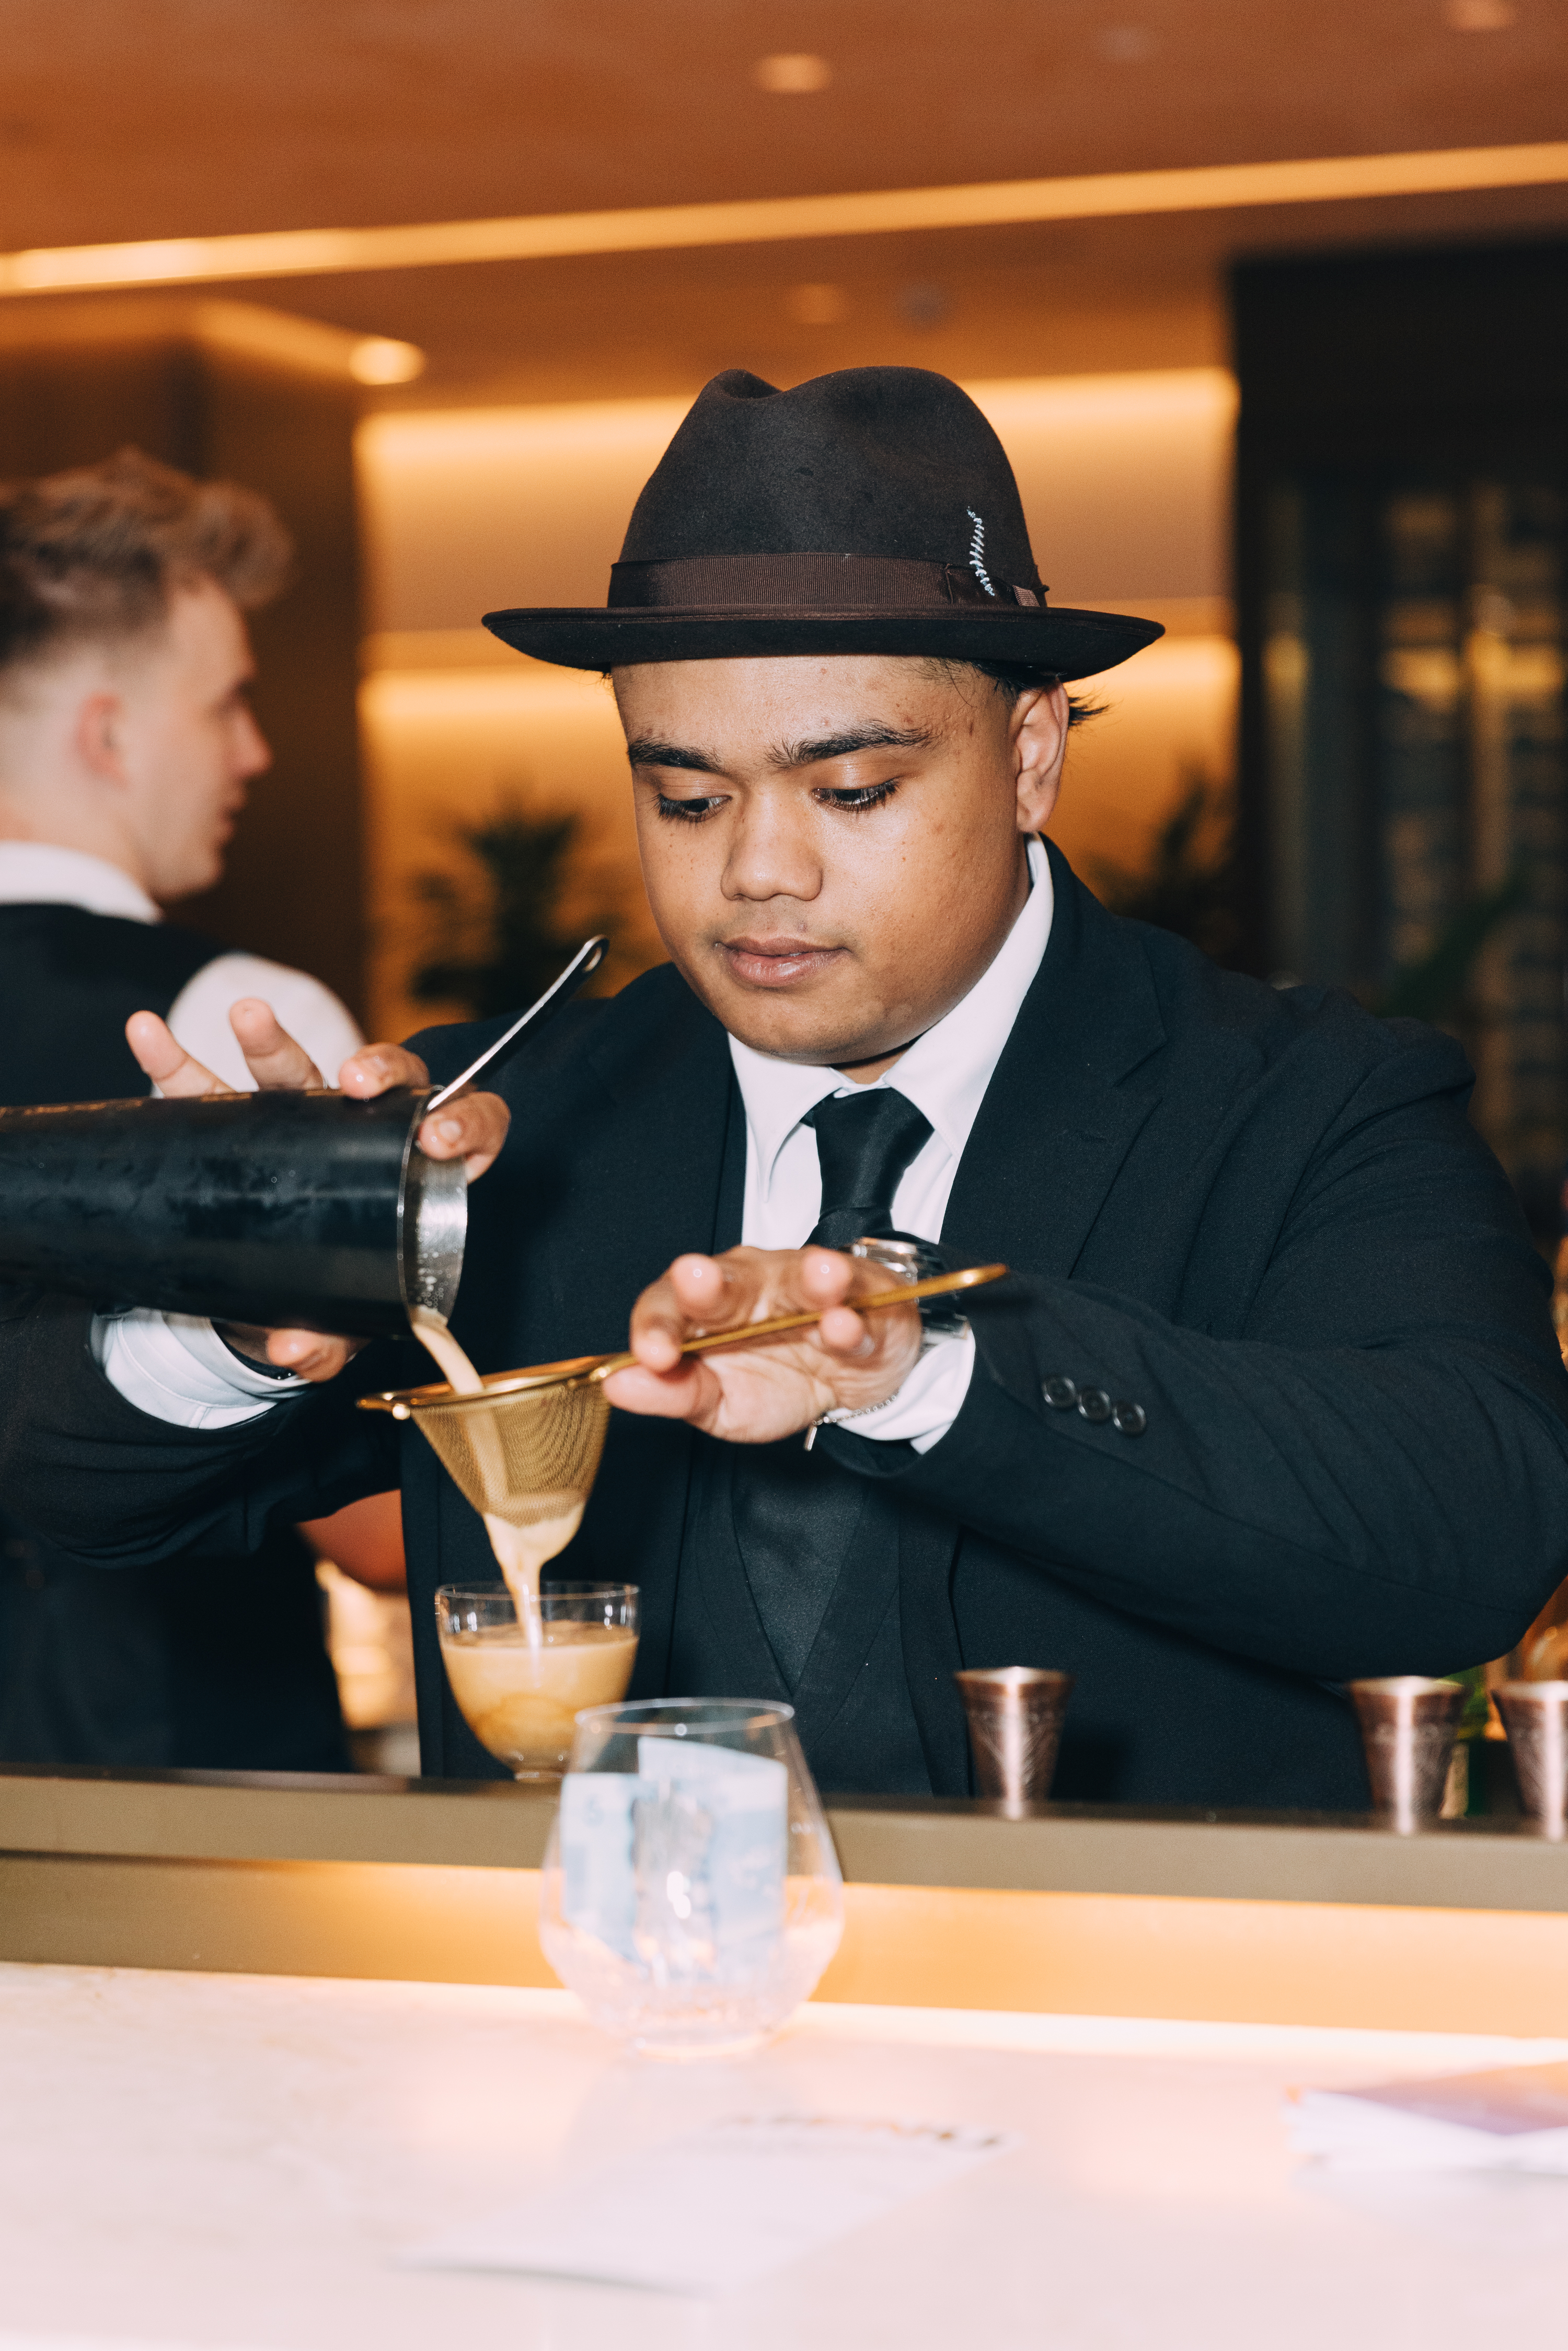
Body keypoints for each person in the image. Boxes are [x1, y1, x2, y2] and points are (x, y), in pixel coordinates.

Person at [2, 368, 1566, 1809]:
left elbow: (1476, 1533)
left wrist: (921, 1363)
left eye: (854, 790)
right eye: (683, 796)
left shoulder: (1307, 1102)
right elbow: (78, 1497)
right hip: (603, 2055)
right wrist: (240, 1304)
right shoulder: (512, 1126)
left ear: (1030, 757)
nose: (757, 871)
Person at [0, 447, 398, 1770]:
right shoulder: (241, 1017)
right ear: (110, 733)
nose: (257, 748)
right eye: (227, 704)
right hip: (185, 1781)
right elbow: (381, 1525)